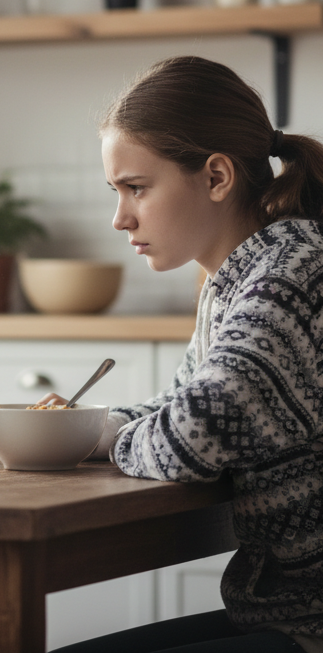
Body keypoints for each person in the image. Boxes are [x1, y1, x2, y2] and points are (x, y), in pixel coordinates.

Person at [44, 56, 323, 653]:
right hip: (283, 614)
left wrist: (105, 441)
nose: (119, 218)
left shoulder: (292, 274)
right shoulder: (239, 277)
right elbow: (181, 400)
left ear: (217, 176)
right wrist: (90, 428)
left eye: (136, 188)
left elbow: (196, 429)